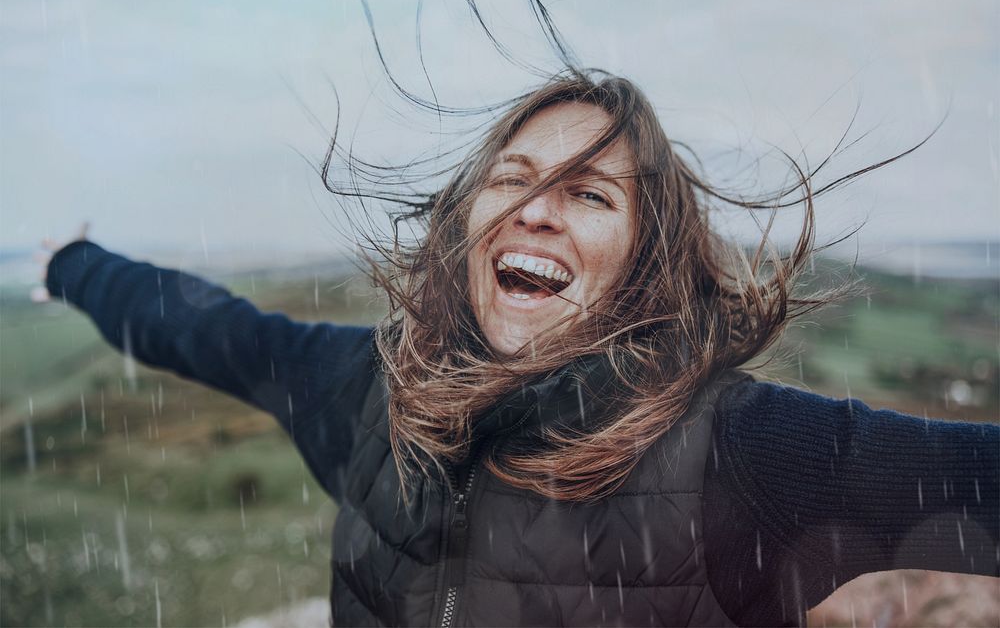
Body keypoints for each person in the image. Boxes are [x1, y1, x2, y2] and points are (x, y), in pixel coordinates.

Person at [42, 72, 998, 627]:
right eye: (514, 178)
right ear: (470, 223)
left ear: (647, 258)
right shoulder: (365, 390)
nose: (537, 207)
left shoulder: (744, 451)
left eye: (591, 194)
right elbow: (209, 329)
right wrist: (77, 265)